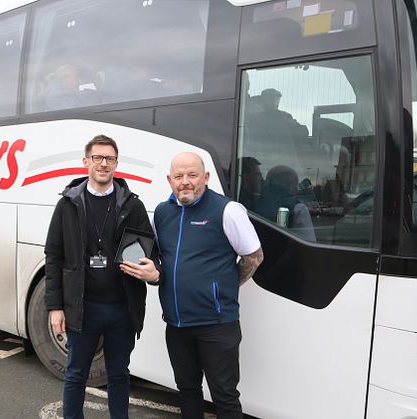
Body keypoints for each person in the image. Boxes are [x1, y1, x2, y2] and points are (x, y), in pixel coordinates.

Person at [44, 134, 160, 419]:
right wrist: (55, 306)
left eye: (109, 158)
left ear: (116, 164)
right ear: (86, 162)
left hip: (122, 308)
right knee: (76, 373)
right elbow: (54, 257)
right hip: (83, 307)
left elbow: (151, 252)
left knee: (119, 375)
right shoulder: (68, 204)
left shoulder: (132, 205)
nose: (103, 163)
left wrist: (152, 270)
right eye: (97, 157)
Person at [151, 152, 264, 419]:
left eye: (192, 175)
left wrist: (223, 287)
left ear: (206, 177)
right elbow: (159, 257)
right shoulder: (162, 213)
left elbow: (254, 256)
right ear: (170, 180)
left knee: (224, 396)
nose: (185, 182)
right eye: (178, 176)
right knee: (187, 390)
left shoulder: (227, 210)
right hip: (177, 325)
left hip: (217, 325)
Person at [258, 165, 316, 242]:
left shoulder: (252, 206)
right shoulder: (298, 209)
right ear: (290, 185)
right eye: (295, 184)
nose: (296, 189)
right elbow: (310, 245)